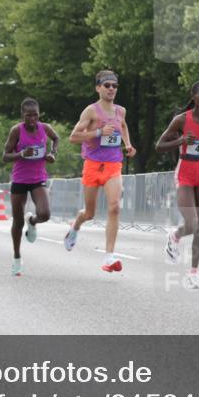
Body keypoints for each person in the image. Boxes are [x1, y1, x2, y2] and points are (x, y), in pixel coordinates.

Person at [156, 81, 199, 289]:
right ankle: (175, 235)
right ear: (194, 97)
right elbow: (159, 146)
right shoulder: (181, 120)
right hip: (185, 172)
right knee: (192, 222)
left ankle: (194, 272)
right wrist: (180, 142)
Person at [66, 70, 137, 272]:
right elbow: (73, 137)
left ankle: (109, 257)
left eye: (115, 86)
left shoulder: (120, 111)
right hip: (92, 164)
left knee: (114, 207)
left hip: (113, 164)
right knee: (89, 213)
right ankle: (75, 226)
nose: (111, 89)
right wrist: (98, 132)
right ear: (98, 88)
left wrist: (128, 144)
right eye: (107, 85)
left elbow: (123, 126)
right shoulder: (91, 111)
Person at [3, 98, 60, 276]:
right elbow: (5, 156)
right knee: (17, 222)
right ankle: (17, 258)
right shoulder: (16, 130)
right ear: (23, 116)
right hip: (20, 179)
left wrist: (52, 153)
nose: (33, 119)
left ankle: (32, 222)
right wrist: (20, 154)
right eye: (29, 116)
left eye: (35, 115)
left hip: (38, 178)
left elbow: (56, 138)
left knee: (45, 214)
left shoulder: (45, 128)